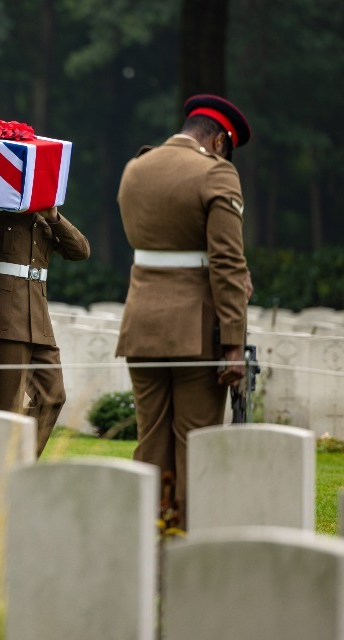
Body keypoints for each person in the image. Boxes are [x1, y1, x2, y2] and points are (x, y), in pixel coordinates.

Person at [115, 94, 253, 526]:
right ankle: (184, 545)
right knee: (195, 442)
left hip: (141, 324)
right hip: (196, 330)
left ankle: (146, 539)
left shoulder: (136, 168)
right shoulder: (217, 174)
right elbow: (228, 264)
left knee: (150, 439)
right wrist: (233, 343)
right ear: (216, 142)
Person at [0, 206, 90, 456]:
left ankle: (18, 461)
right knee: (7, 404)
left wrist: (54, 217)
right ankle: (0, 473)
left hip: (37, 316)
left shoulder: (46, 219)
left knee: (53, 395)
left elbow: (80, 251)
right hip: (5, 313)